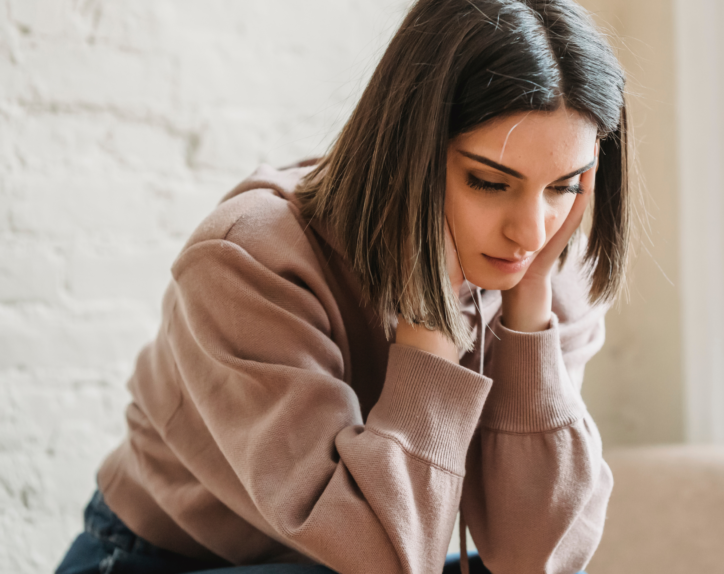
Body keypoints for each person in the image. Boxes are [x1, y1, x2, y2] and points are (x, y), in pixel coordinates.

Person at [55, 0, 630, 572]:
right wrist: (429, 325)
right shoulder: (248, 262)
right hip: (167, 558)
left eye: (564, 185)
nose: (531, 232)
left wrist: (528, 313)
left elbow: (536, 559)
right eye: (488, 181)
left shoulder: (548, 272)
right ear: (411, 146)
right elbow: (379, 559)